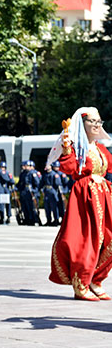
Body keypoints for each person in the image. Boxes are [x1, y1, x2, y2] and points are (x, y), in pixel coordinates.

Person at [48, 107, 112, 301]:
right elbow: (68, 168)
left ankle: (96, 278)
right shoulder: (76, 147)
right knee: (87, 240)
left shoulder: (101, 148)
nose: (96, 125)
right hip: (85, 196)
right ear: (82, 124)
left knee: (108, 237)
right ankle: (81, 283)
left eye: (98, 121)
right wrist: (67, 149)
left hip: (104, 194)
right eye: (92, 121)